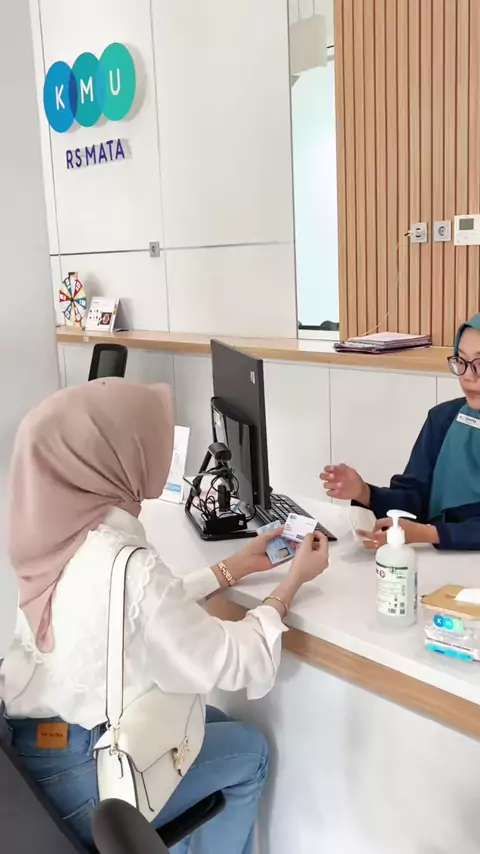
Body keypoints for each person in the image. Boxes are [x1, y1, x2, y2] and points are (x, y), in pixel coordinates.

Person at [0, 378, 329, 854]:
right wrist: (290, 585)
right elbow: (230, 661)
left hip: (30, 763)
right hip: (92, 784)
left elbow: (136, 610)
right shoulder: (127, 564)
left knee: (209, 719)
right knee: (251, 751)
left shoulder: (56, 537)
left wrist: (233, 568)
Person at [320, 314, 480, 552]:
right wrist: (365, 493)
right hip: (437, 563)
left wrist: (429, 533)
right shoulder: (443, 419)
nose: (467, 375)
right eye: (462, 361)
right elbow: (414, 497)